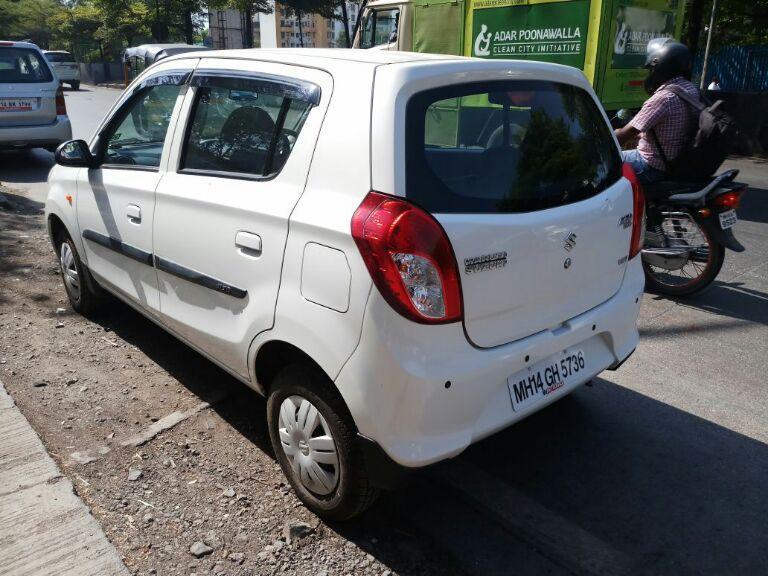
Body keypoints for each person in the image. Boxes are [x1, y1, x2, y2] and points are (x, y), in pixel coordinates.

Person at [614, 38, 700, 184]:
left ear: (660, 66)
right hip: (676, 161)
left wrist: (613, 135)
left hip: (651, 166)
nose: (650, 72)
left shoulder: (662, 98)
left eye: (651, 69)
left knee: (599, 165)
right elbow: (670, 127)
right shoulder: (690, 90)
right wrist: (642, 135)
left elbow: (623, 136)